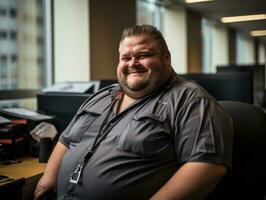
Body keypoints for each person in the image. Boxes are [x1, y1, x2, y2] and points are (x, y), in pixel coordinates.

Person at [34, 24, 233, 200]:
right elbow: (67, 140)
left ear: (166, 57)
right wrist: (48, 178)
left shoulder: (191, 100)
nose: (132, 63)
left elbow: (207, 167)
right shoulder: (100, 97)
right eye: (126, 57)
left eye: (143, 55)